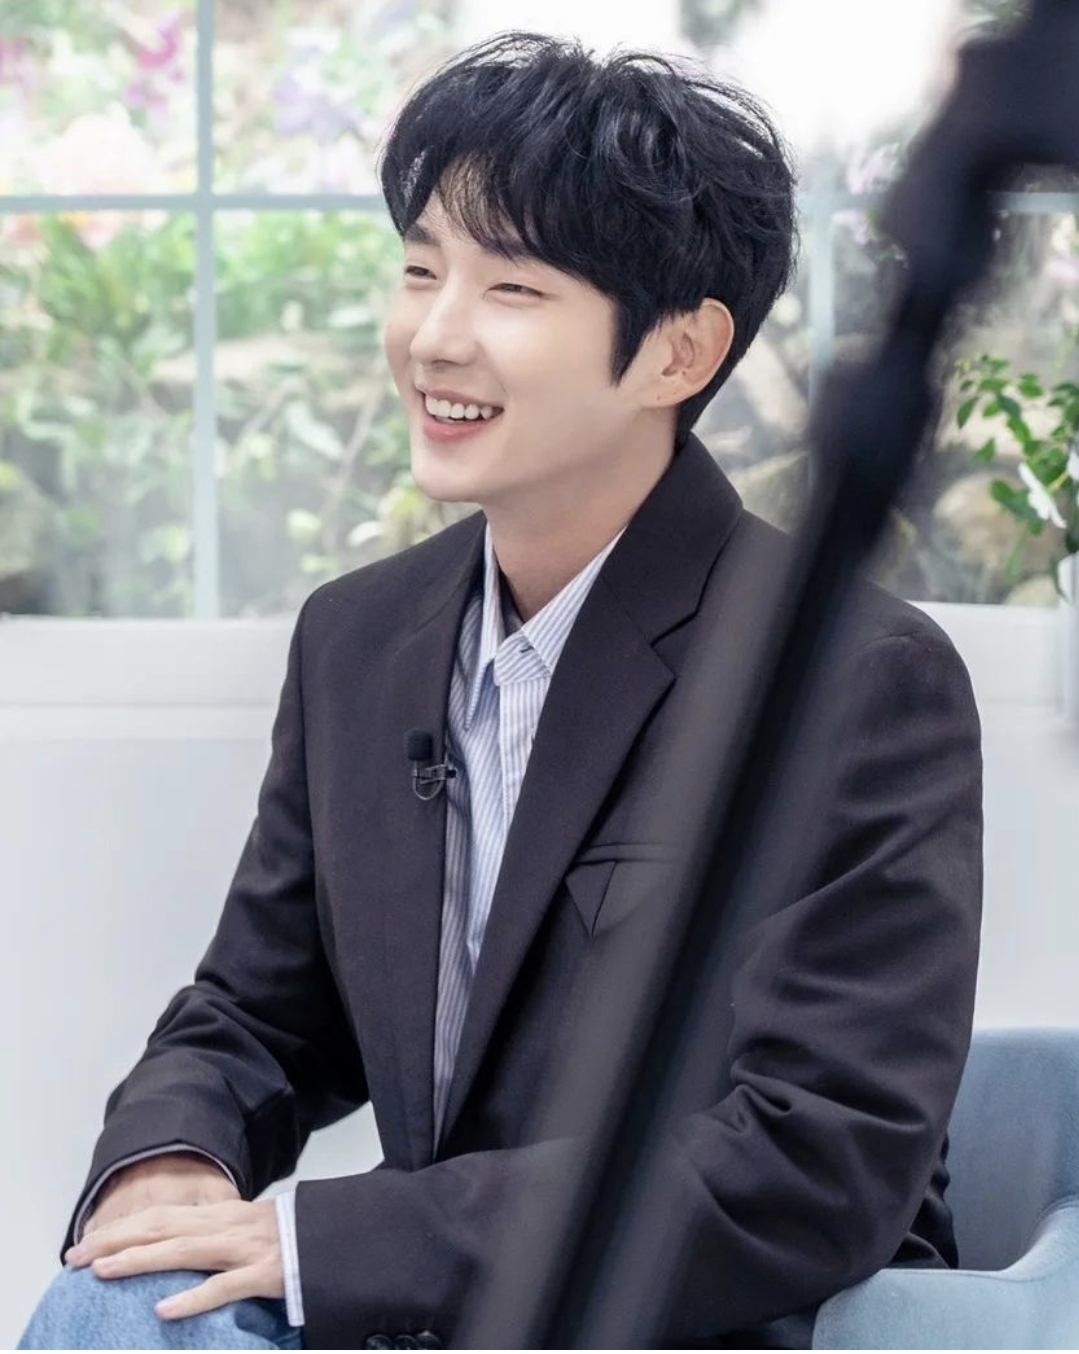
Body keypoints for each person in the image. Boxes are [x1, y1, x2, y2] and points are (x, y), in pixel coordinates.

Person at [19, 29, 982, 1351]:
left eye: (513, 288)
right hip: (448, 1317)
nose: (435, 335)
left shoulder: (853, 677)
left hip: (707, 1325)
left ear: (678, 353)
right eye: (421, 270)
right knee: (120, 1295)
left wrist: (318, 1241)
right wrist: (168, 1160)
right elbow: (256, 1012)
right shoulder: (358, 640)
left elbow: (813, 1160)